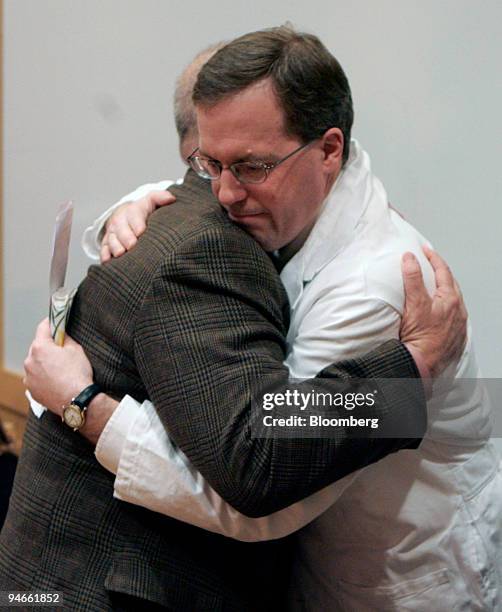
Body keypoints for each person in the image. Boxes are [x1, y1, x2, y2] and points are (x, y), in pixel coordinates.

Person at [29, 27, 500, 610]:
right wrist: (132, 206)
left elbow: (262, 485)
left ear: (329, 150)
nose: (224, 194)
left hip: (405, 582)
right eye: (209, 163)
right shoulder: (283, 199)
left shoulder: (375, 289)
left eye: (250, 167)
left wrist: (85, 407)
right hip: (318, 567)